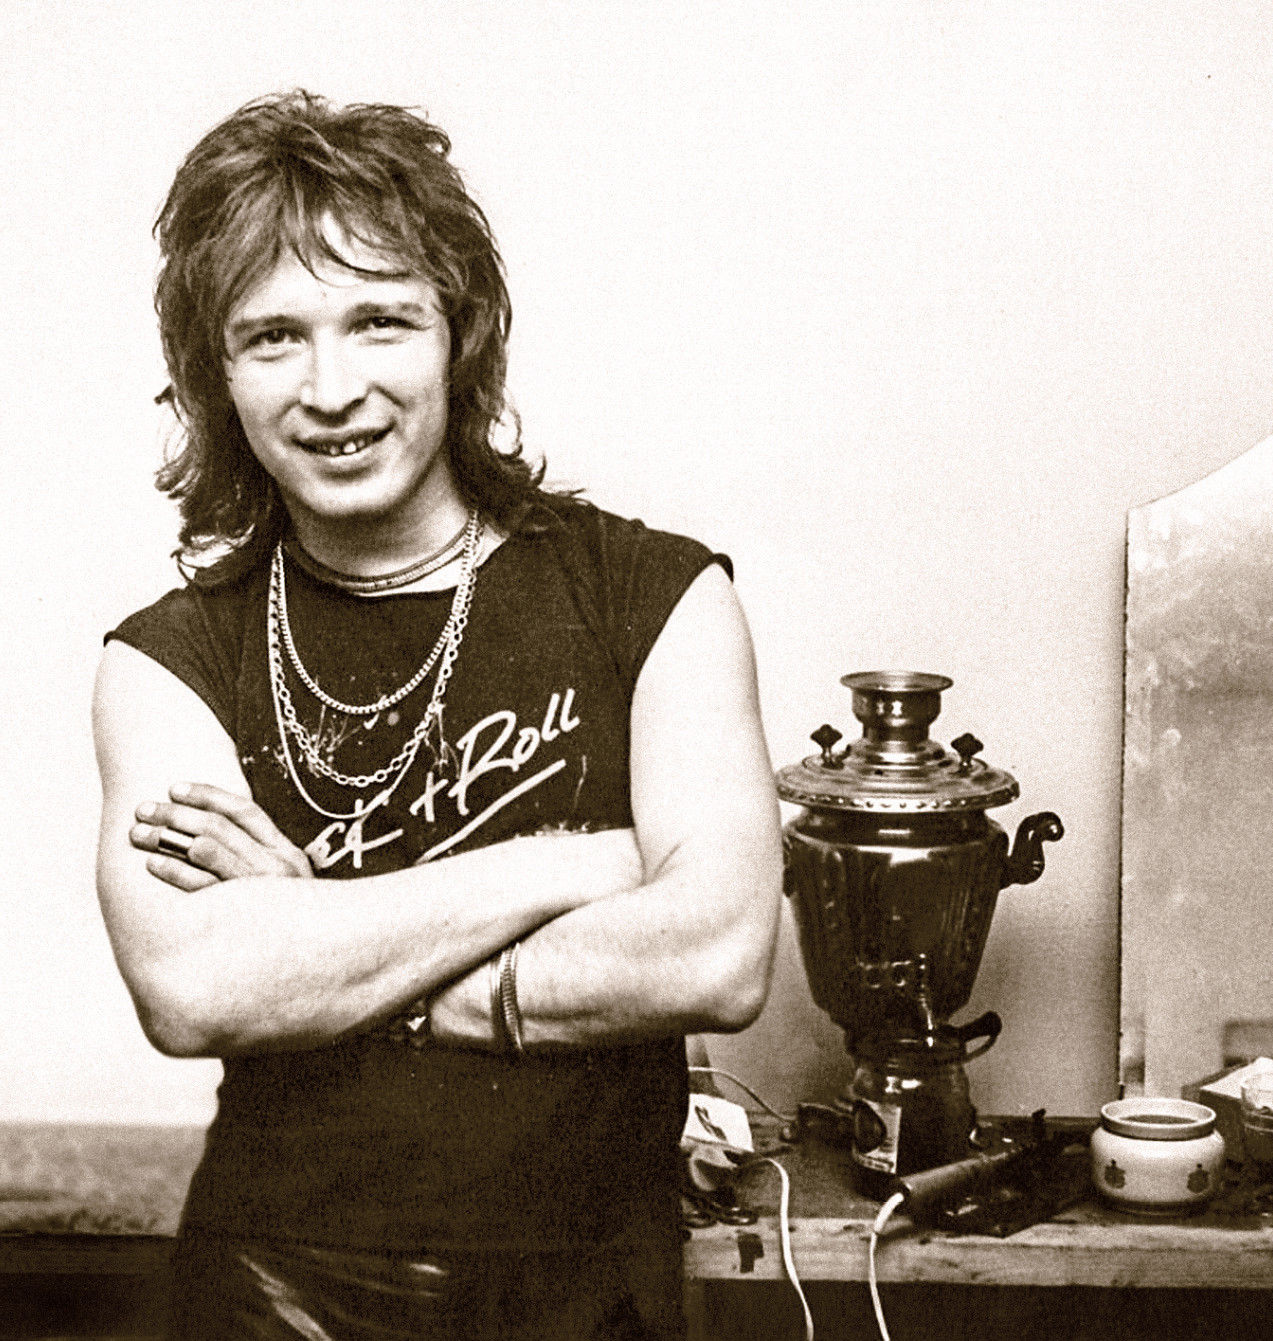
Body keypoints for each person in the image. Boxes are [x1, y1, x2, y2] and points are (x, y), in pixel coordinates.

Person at [91, 90, 783, 1340]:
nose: (333, 388)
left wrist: (319, 935)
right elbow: (195, 988)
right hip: (277, 1293)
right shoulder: (166, 660)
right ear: (217, 375)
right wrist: (581, 864)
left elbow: (718, 953)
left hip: (591, 1289)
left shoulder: (657, 596)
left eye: (380, 320)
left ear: (459, 336)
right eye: (273, 337)